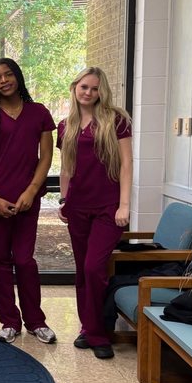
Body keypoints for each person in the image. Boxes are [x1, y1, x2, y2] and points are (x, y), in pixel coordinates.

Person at [0, 58, 57, 345]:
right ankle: (9, 321)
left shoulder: (39, 113)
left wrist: (31, 191)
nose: (4, 80)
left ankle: (36, 321)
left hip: (28, 198)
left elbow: (46, 156)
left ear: (18, 76)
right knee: (0, 261)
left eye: (9, 74)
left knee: (24, 260)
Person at [58, 67, 132, 360]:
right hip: (77, 206)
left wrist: (124, 205)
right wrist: (63, 199)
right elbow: (67, 167)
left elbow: (126, 164)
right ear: (75, 87)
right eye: (84, 87)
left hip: (108, 208)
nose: (88, 92)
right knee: (82, 271)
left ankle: (99, 333)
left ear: (102, 91)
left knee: (93, 268)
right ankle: (86, 327)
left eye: (95, 88)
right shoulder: (66, 125)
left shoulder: (117, 120)